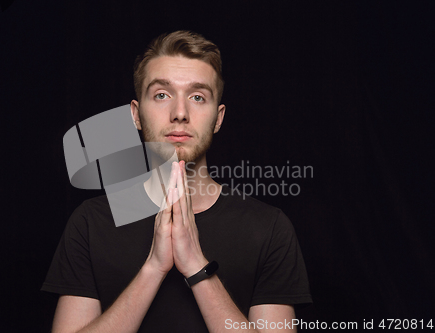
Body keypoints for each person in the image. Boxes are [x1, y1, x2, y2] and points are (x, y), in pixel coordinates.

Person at [42, 30, 312, 332]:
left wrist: (196, 266)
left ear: (218, 117)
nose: (180, 113)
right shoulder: (91, 223)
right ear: (136, 115)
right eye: (161, 95)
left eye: (198, 97)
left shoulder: (269, 228)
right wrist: (153, 269)